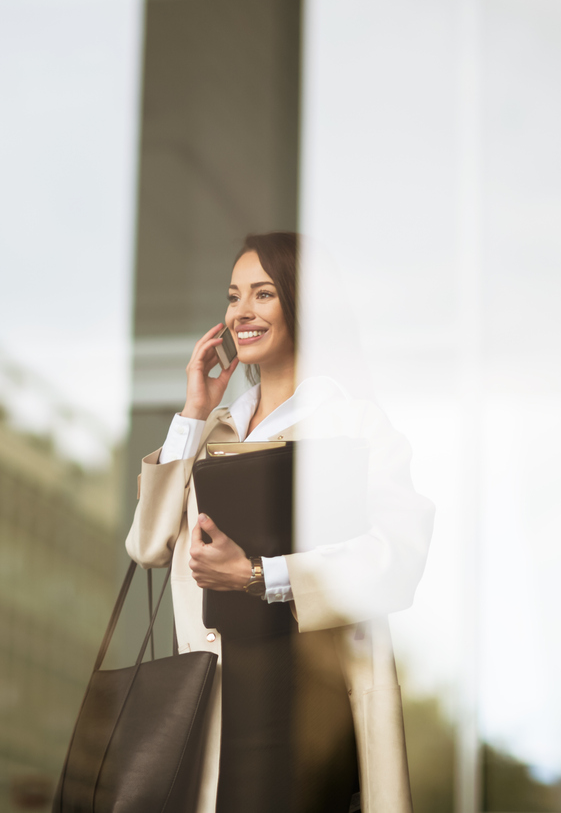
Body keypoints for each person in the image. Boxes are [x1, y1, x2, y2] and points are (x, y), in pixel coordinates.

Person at [125, 232, 435, 813]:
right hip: (214, 705)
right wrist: (193, 412)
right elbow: (148, 545)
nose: (242, 311)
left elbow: (398, 556)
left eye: (263, 294)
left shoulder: (354, 425)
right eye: (233, 295)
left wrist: (257, 575)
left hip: (303, 711)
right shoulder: (212, 428)